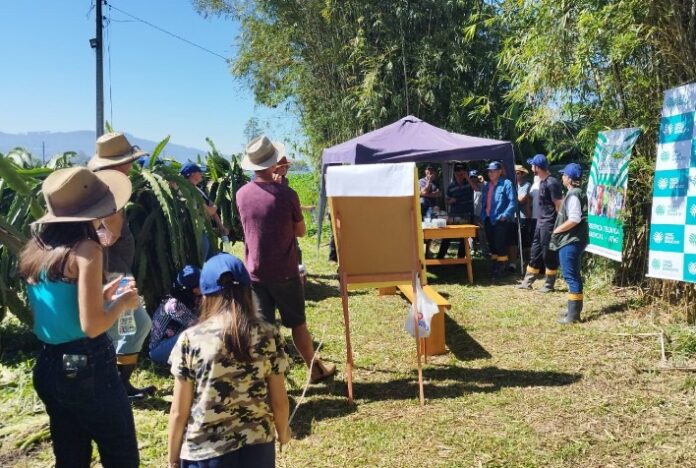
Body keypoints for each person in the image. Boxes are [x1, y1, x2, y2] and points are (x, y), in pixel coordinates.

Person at [20, 167, 140, 467]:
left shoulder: (36, 250)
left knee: (71, 456)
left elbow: (61, 309)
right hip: (87, 365)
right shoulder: (87, 250)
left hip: (49, 365)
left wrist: (103, 296)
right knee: (121, 453)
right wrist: (122, 303)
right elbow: (91, 325)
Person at [168, 253, 290, 467]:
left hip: (206, 453)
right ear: (248, 292)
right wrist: (283, 431)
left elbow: (179, 411)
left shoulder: (191, 340)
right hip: (258, 449)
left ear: (205, 296)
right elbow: (279, 401)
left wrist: (172, 459)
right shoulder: (269, 335)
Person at [236, 135, 336, 383]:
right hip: (284, 270)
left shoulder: (241, 194)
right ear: (274, 164)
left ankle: (270, 381)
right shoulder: (286, 194)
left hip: (255, 271)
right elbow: (300, 231)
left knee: (264, 330)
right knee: (297, 323)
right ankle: (314, 370)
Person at [88, 132, 156, 399]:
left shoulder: (104, 187)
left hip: (118, 271)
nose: (131, 166)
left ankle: (118, 386)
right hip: (111, 274)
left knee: (124, 327)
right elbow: (110, 233)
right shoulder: (107, 190)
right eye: (128, 161)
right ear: (116, 165)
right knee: (136, 324)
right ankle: (116, 387)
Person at [517, 154, 563, 292]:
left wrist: (558, 227)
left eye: (532, 164)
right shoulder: (541, 182)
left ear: (537, 167)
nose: (531, 167)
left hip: (549, 224)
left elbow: (559, 206)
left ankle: (549, 284)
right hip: (540, 222)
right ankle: (528, 281)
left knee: (548, 254)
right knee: (535, 251)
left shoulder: (552, 182)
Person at [550, 163, 588, 324]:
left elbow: (574, 218)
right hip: (573, 240)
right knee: (572, 275)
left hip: (570, 240)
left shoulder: (573, 195)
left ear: (570, 178)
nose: (562, 177)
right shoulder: (576, 193)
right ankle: (572, 311)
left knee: (571, 276)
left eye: (564, 175)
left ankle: (573, 316)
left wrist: (557, 230)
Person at [149, 265, 201, 364]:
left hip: (171, 344)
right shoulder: (174, 305)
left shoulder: (190, 299)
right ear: (194, 289)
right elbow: (199, 326)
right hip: (159, 351)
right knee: (194, 333)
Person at [180, 162, 229, 260]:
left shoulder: (197, 190)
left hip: (205, 232)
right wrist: (216, 204)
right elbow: (210, 211)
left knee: (211, 260)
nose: (202, 174)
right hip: (197, 234)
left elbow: (211, 208)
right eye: (199, 172)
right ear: (192, 174)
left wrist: (221, 226)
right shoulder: (187, 191)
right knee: (202, 263)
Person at [480, 161, 516, 279]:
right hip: (488, 219)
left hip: (500, 219)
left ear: (500, 171)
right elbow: (483, 203)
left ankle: (501, 269)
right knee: (492, 245)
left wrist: (505, 215)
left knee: (500, 244)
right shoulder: (486, 186)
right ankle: (495, 267)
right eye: (489, 171)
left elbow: (513, 201)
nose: (490, 173)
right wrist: (482, 216)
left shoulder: (506, 183)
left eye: (493, 170)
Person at [437, 163, 476, 259]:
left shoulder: (469, 183)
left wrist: (467, 177)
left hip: (467, 214)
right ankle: (440, 257)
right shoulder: (451, 186)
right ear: (454, 173)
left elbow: (476, 189)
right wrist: (450, 201)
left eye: (461, 172)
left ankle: (461, 259)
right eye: (457, 172)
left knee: (464, 238)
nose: (459, 174)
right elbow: (446, 200)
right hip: (454, 214)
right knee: (447, 236)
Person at [509, 164, 532, 269]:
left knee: (524, 241)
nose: (515, 175)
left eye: (517, 173)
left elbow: (521, 200)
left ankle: (527, 263)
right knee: (512, 240)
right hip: (512, 216)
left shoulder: (526, 185)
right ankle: (513, 263)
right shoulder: (511, 185)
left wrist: (510, 194)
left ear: (522, 174)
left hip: (522, 217)